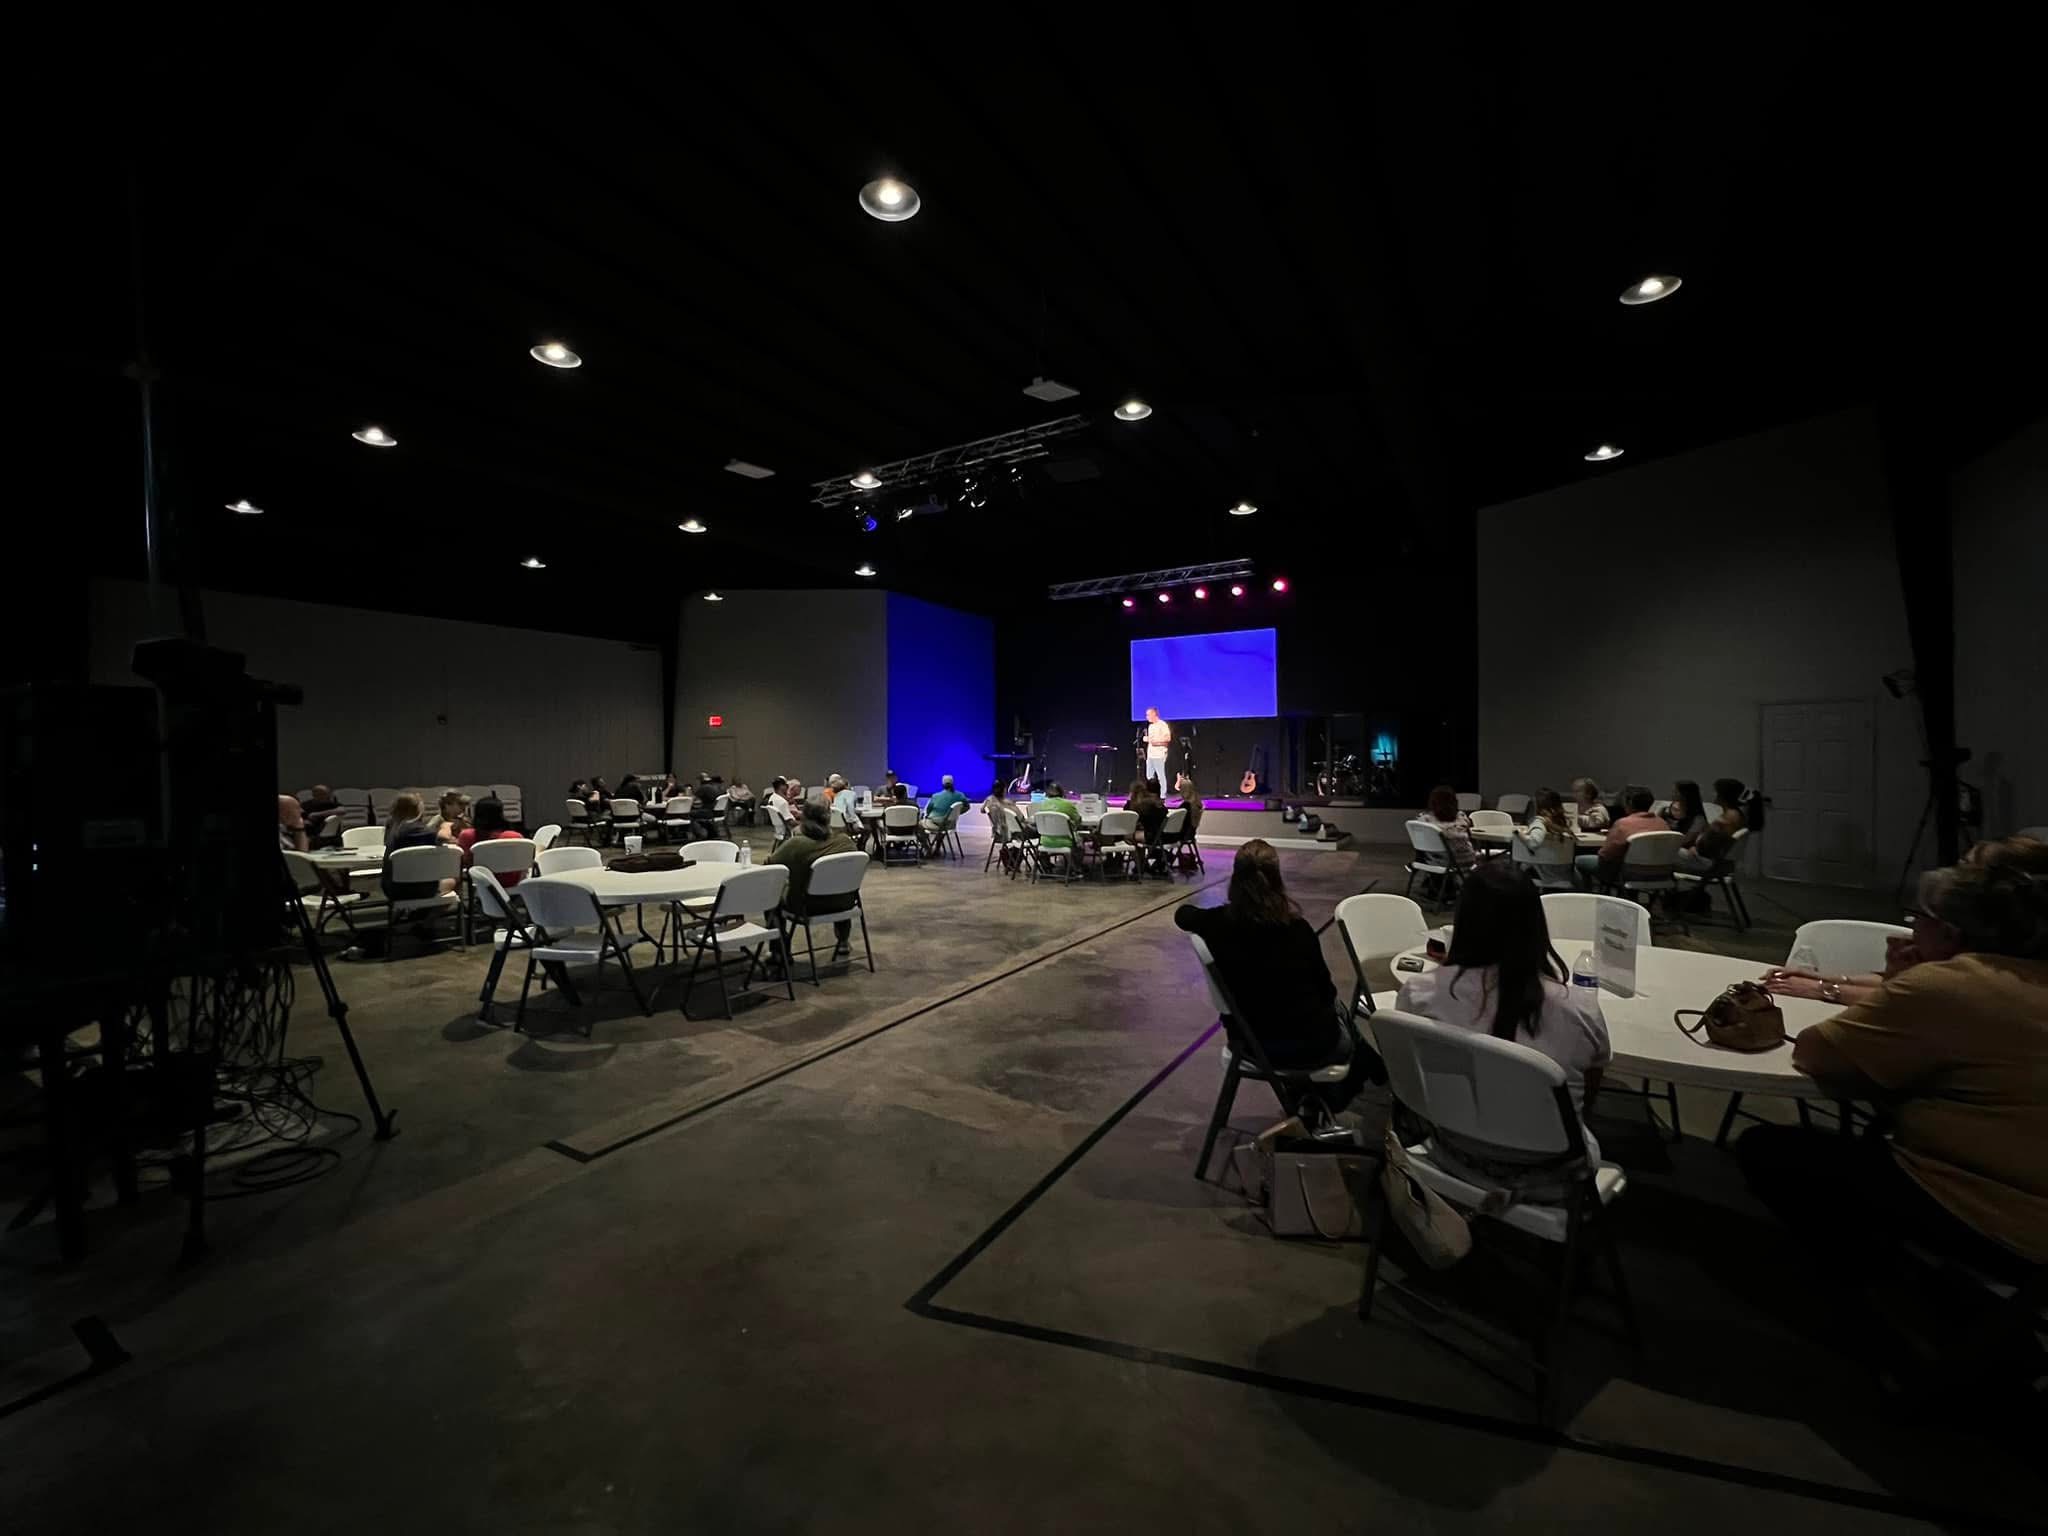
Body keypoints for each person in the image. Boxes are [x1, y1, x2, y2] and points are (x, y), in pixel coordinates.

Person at [1737, 858, 2048, 1301]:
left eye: (1917, 917)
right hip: (2027, 1200)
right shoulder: (2022, 977)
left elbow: (1816, 1052)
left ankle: (1882, 1294)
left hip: (1993, 1211)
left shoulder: (1953, 984)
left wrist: (1904, 983)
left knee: (1768, 1150)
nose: (1908, 929)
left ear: (1949, 933)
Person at [1396, 860, 1612, 1182]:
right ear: (1536, 925)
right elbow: (1587, 1094)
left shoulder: (1418, 993)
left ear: (1463, 920)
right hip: (1551, 1174)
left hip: (1451, 1150)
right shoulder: (1579, 1009)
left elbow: (1411, 1077)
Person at [1174, 840, 1380, 1104]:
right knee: (1342, 1014)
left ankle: (1357, 1078)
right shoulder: (1298, 929)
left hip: (1252, 1042)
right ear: (1276, 880)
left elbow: (1183, 915)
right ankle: (1369, 1076)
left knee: (1338, 1018)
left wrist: (1210, 913)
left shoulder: (1215, 924)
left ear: (1235, 879)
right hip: (1313, 1046)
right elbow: (1326, 992)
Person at [1764, 836, 2048, 1007]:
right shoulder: (1996, 938)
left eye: (1967, 868)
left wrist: (1823, 990)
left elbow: (1920, 1000)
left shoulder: (1989, 959)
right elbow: (1901, 985)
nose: (1955, 874)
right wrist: (1825, 979)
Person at [768, 794, 860, 960]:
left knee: (770, 897)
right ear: (829, 816)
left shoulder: (795, 845)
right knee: (839, 884)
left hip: (807, 906)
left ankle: (779, 952)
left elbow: (769, 867)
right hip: (844, 903)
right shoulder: (845, 842)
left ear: (803, 816)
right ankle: (843, 941)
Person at [1578, 785, 1664, 888]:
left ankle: (1585, 894)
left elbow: (1605, 855)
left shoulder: (1623, 824)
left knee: (1579, 860)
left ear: (1629, 803)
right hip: (1661, 874)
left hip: (1627, 874)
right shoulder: (1662, 823)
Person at [1676, 776, 1764, 876]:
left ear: (1723, 795)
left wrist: (1696, 848)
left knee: (1667, 852)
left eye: (1715, 791)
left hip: (1708, 864)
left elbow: (1712, 845)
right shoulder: (1734, 814)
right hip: (1712, 861)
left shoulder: (1729, 817)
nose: (1713, 794)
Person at [382, 791, 458, 901]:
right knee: (452, 879)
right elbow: (443, 837)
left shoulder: (392, 826)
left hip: (391, 887)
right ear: (417, 809)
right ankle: (429, 913)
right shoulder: (415, 828)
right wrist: (445, 825)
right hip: (413, 888)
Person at [1510, 786, 1578, 889]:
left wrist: (1518, 833)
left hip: (1545, 874)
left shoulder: (1539, 822)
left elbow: (1533, 843)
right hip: (1564, 874)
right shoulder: (1563, 823)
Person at [457, 795, 526, 887]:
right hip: (512, 882)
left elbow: (464, 861)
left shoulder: (467, 836)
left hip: (481, 881)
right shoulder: (514, 837)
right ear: (501, 814)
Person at [1421, 785, 1476, 872]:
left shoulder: (1424, 820)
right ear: (1454, 802)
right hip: (1462, 861)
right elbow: (1468, 839)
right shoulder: (1460, 819)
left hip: (1433, 861)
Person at [1035, 781, 1082, 853]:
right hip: (1067, 841)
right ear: (1062, 792)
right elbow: (1078, 820)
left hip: (1045, 842)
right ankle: (1075, 860)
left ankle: (1044, 859)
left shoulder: (1043, 805)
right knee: (1081, 839)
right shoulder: (1068, 805)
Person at [1143, 707, 1172, 790]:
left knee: (1160, 776)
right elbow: (1151, 740)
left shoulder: (1162, 725)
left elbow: (1168, 738)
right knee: (1149, 776)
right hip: (1150, 755)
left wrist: (1155, 742)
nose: (1146, 717)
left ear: (1154, 714)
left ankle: (1162, 794)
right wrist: (1148, 739)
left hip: (1159, 755)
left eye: (1148, 715)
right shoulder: (1151, 726)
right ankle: (1151, 793)